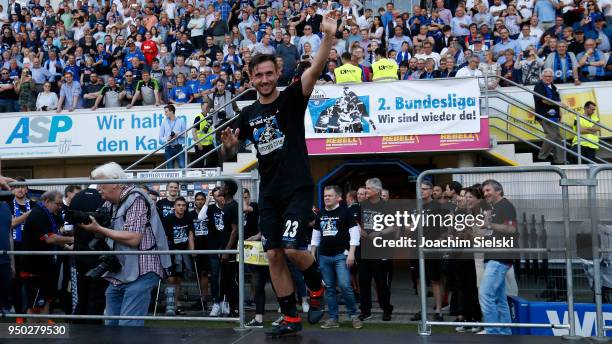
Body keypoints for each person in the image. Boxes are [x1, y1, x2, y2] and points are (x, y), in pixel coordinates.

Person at [218, 11, 338, 337]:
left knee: (295, 249)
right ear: (251, 77)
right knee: (272, 254)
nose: (265, 79)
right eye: (259, 75)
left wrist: (327, 37)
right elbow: (230, 152)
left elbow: (314, 71)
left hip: (297, 188)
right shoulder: (249, 113)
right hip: (268, 193)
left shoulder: (292, 99)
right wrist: (228, 146)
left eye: (270, 73)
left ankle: (316, 289)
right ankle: (290, 317)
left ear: (277, 73)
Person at [80, 162, 171, 326]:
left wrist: (99, 228)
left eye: (100, 183)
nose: (97, 188)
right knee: (111, 323)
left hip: (143, 268)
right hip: (121, 270)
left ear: (114, 183)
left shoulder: (136, 198)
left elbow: (133, 238)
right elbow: (101, 233)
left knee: (128, 325)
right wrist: (92, 225)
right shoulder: (109, 203)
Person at [311, 185, 362, 329]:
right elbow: (315, 237)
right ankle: (333, 318)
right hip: (324, 257)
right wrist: (312, 254)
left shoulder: (345, 212)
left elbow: (354, 234)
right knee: (330, 289)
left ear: (338, 197)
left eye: (329, 195)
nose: (326, 198)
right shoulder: (320, 214)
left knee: (345, 286)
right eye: (325, 195)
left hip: (341, 256)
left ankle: (353, 315)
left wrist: (351, 253)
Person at [21, 191, 74, 320]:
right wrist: (72, 239)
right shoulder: (38, 214)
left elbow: (57, 235)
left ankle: (43, 331)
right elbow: (49, 238)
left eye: (61, 204)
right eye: (57, 204)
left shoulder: (51, 214)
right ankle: (32, 335)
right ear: (46, 202)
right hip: (34, 267)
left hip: (46, 265)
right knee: (35, 304)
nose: (60, 207)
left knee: (46, 299)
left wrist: (67, 245)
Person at [478, 179, 518, 335]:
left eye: (488, 190)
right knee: (499, 298)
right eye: (484, 191)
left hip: (500, 257)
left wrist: (489, 225)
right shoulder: (493, 208)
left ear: (498, 191)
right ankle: (505, 331)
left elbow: (511, 229)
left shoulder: (506, 206)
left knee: (485, 294)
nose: (485, 193)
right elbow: (491, 230)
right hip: (491, 256)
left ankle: (493, 331)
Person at [358, 178, 394, 322]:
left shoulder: (387, 207)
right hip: (364, 250)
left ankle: (386, 310)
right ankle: (365, 311)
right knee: (364, 282)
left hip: (381, 250)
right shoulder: (362, 205)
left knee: (381, 283)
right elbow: (356, 222)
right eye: (366, 188)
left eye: (368, 188)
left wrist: (378, 234)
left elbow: (393, 227)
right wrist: (360, 230)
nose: (366, 191)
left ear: (377, 191)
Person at [70, 186, 107, 323]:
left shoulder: (77, 197)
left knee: (82, 291)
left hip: (80, 249)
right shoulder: (104, 197)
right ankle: (93, 325)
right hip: (98, 250)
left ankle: (79, 323)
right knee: (97, 292)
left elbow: (71, 219)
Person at [162, 196, 195, 316]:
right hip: (171, 251)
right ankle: (169, 304)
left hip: (183, 251)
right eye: (179, 205)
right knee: (171, 279)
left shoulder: (188, 217)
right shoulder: (168, 218)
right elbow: (165, 237)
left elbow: (190, 234)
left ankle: (175, 303)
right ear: (174, 207)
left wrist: (193, 250)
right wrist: (164, 253)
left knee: (179, 280)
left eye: (183, 205)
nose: (181, 207)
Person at [533, 68, 564, 164]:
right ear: (542, 77)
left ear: (552, 78)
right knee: (552, 135)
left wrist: (560, 112)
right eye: (546, 76)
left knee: (558, 138)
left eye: (550, 76)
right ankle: (541, 157)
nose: (548, 78)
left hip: (554, 116)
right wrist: (558, 104)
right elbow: (543, 100)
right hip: (544, 115)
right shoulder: (538, 86)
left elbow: (557, 101)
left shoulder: (554, 87)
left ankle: (559, 160)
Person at [159, 105, 187, 169]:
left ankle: (183, 179)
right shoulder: (164, 122)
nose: (165, 114)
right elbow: (160, 138)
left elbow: (186, 134)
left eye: (166, 112)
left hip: (178, 147)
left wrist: (177, 135)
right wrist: (167, 139)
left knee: (182, 166)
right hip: (168, 148)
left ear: (171, 111)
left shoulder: (181, 121)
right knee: (170, 169)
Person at [192, 102, 218, 168]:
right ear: (202, 107)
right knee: (199, 163)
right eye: (205, 106)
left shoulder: (209, 117)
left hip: (209, 144)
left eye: (208, 106)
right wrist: (198, 143)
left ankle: (206, 170)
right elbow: (193, 131)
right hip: (201, 144)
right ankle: (196, 172)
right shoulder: (198, 117)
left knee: (216, 158)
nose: (207, 107)